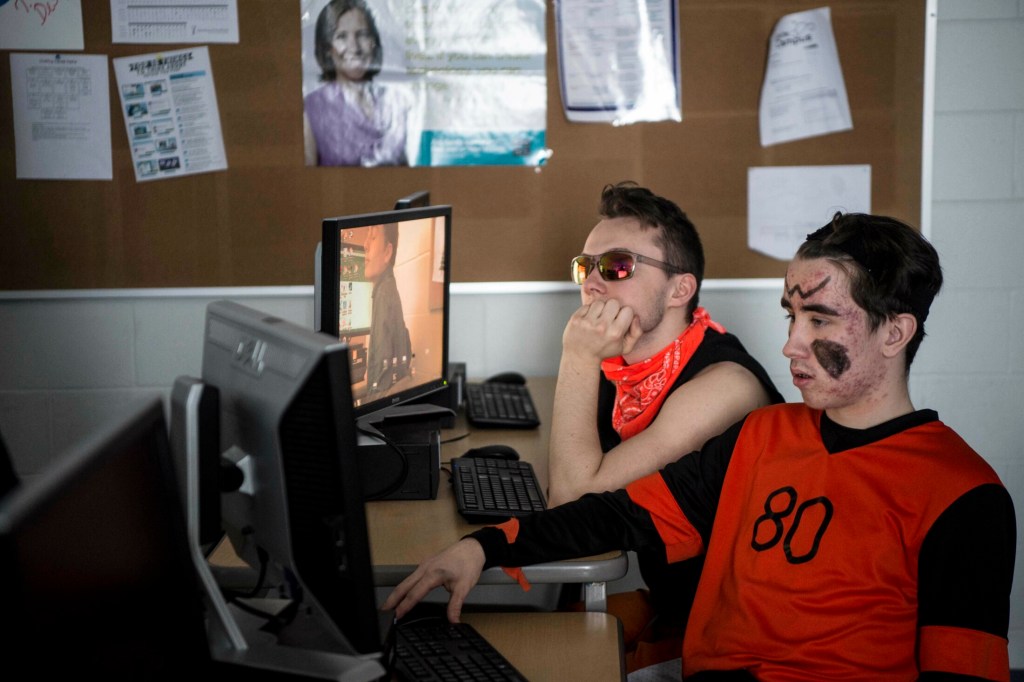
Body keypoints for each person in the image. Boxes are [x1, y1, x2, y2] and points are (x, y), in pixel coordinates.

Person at [383, 213, 1017, 681]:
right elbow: (620, 513)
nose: (792, 344)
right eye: (789, 317)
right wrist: (482, 546)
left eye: (820, 319)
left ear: (895, 332)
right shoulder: (763, 436)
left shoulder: (963, 496)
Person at [549, 182, 783, 670]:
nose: (591, 283)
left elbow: (570, 504)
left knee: (548, 657)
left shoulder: (723, 386)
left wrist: (576, 355)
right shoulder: (628, 368)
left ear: (681, 289)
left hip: (736, 634)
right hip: (679, 601)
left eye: (617, 266)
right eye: (583, 267)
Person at [304, 0, 408, 167]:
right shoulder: (312, 109)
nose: (354, 46)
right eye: (341, 36)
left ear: (374, 42)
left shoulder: (396, 101)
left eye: (362, 35)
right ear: (327, 48)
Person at [364, 222, 411, 397]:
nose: (365, 244)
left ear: (387, 252)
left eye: (373, 237)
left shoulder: (384, 294)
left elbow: (379, 389)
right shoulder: (389, 288)